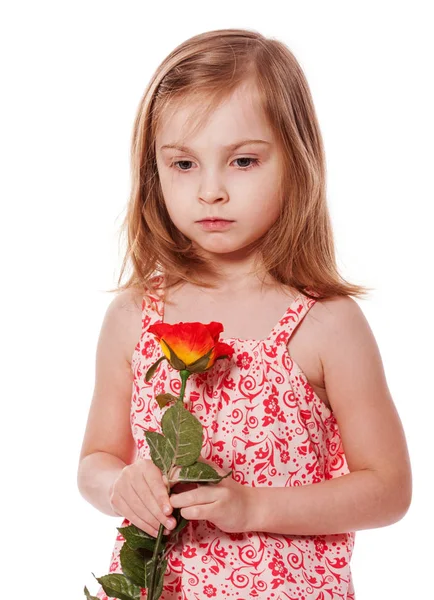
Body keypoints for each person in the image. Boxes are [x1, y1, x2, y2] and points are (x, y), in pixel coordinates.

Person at [77, 28, 412, 600]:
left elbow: (388, 489)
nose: (211, 191)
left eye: (243, 160)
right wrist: (120, 486)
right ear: (152, 172)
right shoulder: (134, 317)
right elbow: (96, 459)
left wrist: (255, 504)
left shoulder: (325, 323)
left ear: (296, 161)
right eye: (183, 164)